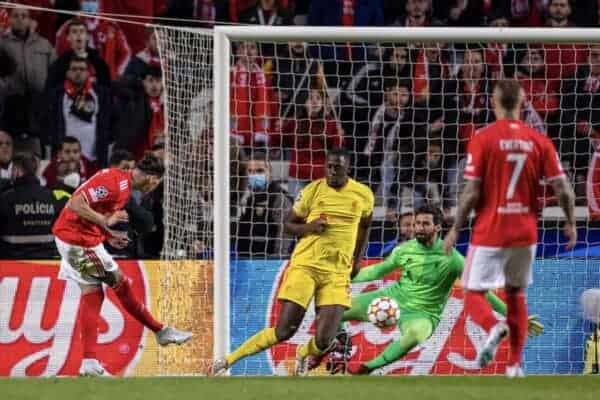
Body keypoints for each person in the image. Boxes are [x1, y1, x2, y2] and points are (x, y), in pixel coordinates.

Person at [443, 79, 577, 378]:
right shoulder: (539, 140)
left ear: (493, 101)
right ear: (522, 101)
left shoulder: (483, 138)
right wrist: (570, 221)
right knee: (516, 294)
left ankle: (494, 326)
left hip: (491, 228)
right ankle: (514, 365)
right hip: (525, 231)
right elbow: (564, 189)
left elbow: (471, 190)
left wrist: (456, 228)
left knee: (472, 292)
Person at [211, 148, 374, 376]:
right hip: (306, 266)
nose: (332, 170)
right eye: (329, 166)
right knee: (284, 330)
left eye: (337, 167)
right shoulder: (312, 191)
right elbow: (288, 225)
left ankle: (302, 353)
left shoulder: (363, 194)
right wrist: (309, 227)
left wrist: (357, 260)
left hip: (337, 272)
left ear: (349, 168)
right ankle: (227, 361)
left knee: (325, 339)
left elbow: (365, 226)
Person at [326, 205, 544, 375]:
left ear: (437, 227)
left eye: (425, 223)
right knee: (332, 310)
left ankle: (368, 368)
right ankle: (342, 344)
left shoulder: (454, 259)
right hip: (392, 298)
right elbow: (376, 271)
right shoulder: (404, 250)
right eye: (417, 223)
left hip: (424, 313)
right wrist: (342, 276)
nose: (419, 227)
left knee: (415, 336)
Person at [52, 153, 192, 376]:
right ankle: (160, 330)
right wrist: (105, 222)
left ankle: (89, 362)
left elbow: (92, 210)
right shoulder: (114, 184)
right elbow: (76, 203)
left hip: (81, 238)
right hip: (76, 240)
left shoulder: (122, 185)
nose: (153, 189)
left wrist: (108, 235)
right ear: (152, 179)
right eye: (156, 184)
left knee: (94, 293)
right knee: (119, 283)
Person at [46, 56, 112, 167]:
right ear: (67, 73)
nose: (78, 72)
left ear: (88, 73)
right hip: (65, 158)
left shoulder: (101, 94)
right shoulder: (57, 95)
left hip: (94, 158)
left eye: (82, 69)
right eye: (74, 69)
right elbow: (50, 123)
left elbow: (110, 120)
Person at [0, 6, 56, 138]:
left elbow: (55, 71)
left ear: (30, 20)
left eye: (24, 16)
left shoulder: (44, 44)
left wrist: (49, 95)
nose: (20, 19)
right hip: (10, 104)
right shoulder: (2, 44)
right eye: (16, 15)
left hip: (39, 104)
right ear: (10, 20)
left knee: (39, 142)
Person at [0, 152, 65, 259]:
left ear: (16, 170)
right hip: (48, 263)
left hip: (11, 265)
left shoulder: (5, 199)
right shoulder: (53, 197)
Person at [235, 151, 292, 257]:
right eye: (251, 171)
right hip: (247, 260)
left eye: (259, 171)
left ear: (269, 172)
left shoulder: (279, 198)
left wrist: (276, 260)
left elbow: (285, 234)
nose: (254, 175)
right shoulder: (249, 199)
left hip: (269, 263)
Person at [45, 19, 111, 91]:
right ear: (68, 37)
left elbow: (107, 90)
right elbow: (51, 91)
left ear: (87, 36)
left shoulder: (99, 63)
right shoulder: (59, 64)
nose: (78, 35)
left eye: (82, 31)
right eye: (74, 32)